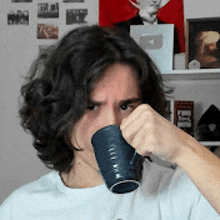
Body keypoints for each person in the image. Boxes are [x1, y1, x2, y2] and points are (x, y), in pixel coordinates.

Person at [0, 25, 219, 219]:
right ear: (60, 112)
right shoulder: (21, 209)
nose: (112, 124)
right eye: (91, 107)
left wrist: (183, 148)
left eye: (125, 106)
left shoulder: (177, 191)